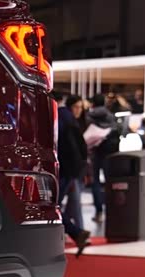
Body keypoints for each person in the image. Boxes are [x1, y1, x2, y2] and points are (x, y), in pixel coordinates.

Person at [57, 94, 91, 255]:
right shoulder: (69, 120)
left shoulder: (63, 119)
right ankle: (77, 232)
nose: (79, 110)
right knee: (57, 205)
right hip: (71, 169)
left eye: (81, 108)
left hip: (66, 169)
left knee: (53, 206)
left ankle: (76, 232)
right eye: (77, 107)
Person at [86, 94, 121, 223]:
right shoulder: (110, 116)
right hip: (110, 152)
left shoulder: (89, 116)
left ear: (93, 103)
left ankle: (99, 212)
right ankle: (112, 210)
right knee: (109, 182)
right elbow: (117, 132)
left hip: (95, 152)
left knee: (95, 182)